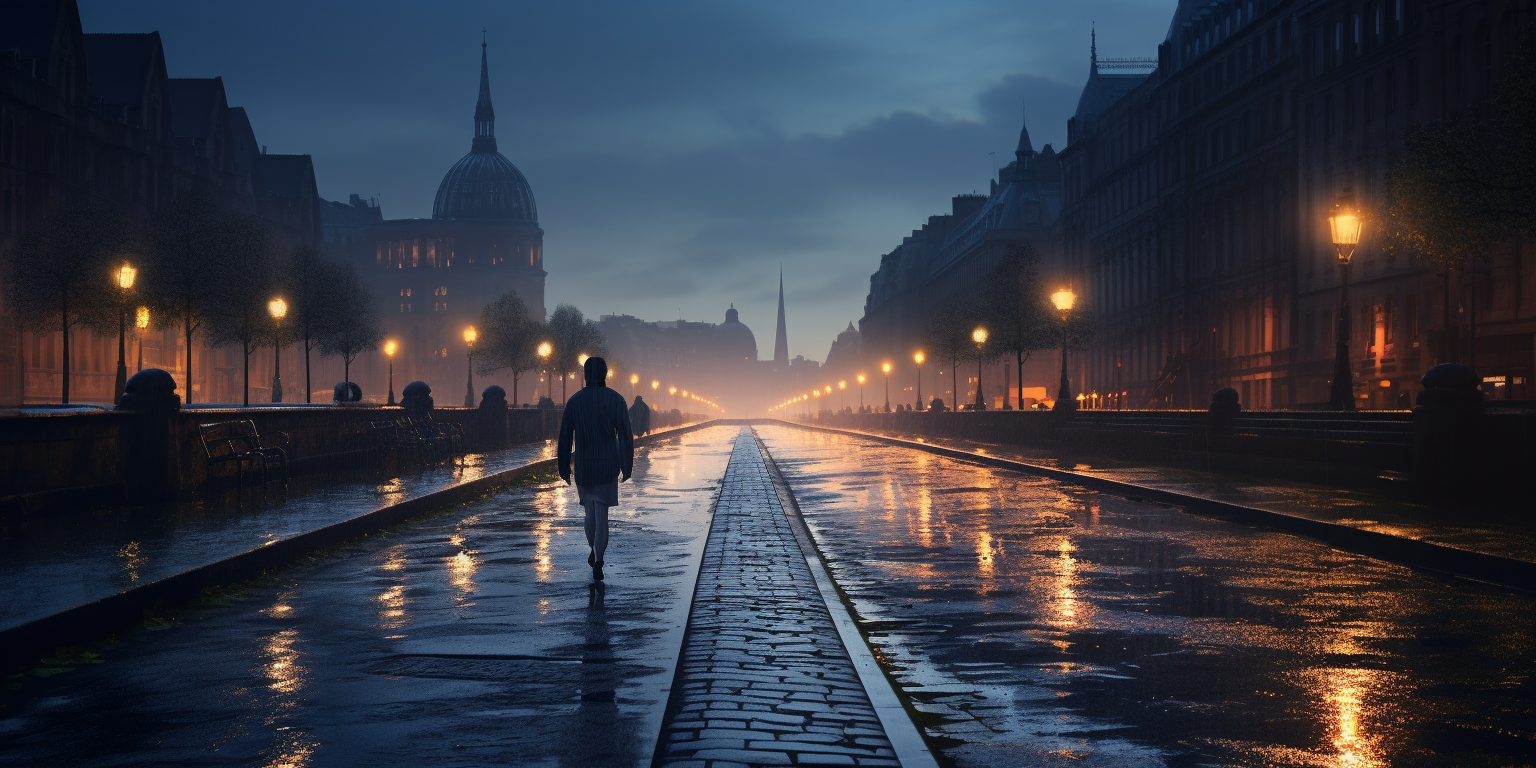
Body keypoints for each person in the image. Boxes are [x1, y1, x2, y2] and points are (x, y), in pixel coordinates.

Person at [558, 357, 634, 581]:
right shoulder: (616, 400)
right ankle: (599, 559)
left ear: (585, 374)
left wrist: (564, 466)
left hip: (584, 464)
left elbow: (565, 436)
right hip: (607, 464)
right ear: (605, 374)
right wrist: (626, 465)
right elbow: (625, 437)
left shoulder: (575, 401)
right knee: (602, 514)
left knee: (589, 512)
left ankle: (593, 548)